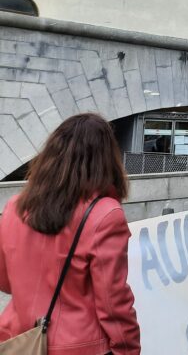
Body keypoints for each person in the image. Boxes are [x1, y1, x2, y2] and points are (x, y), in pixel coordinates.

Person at [0, 113, 141, 354]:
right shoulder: (105, 215)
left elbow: (5, 282)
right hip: (79, 346)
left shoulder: (14, 206)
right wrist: (128, 350)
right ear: (106, 159)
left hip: (19, 341)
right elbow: (112, 303)